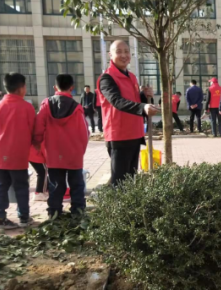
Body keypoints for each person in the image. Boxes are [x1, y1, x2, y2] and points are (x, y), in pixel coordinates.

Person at [98, 40, 159, 185]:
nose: (124, 55)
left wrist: (144, 96)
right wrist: (143, 107)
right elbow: (117, 101)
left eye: (126, 51)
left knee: (131, 180)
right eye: (119, 51)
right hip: (119, 135)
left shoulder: (131, 76)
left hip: (134, 133)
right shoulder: (106, 78)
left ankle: (127, 207)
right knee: (119, 182)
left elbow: (134, 100)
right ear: (110, 55)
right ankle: (114, 207)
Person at [34, 74, 89, 218]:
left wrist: (38, 145)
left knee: (56, 185)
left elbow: (38, 127)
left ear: (54, 87)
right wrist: (81, 150)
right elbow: (84, 132)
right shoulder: (77, 108)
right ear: (72, 88)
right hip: (74, 153)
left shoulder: (46, 104)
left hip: (53, 153)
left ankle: (54, 212)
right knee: (76, 184)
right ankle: (77, 212)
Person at [0, 73, 35, 229]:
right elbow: (34, 130)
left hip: (1, 155)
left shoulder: (0, 105)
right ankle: (24, 217)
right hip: (18, 156)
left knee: (2, 186)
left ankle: (1, 218)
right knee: (21, 186)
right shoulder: (26, 107)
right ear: (21, 88)